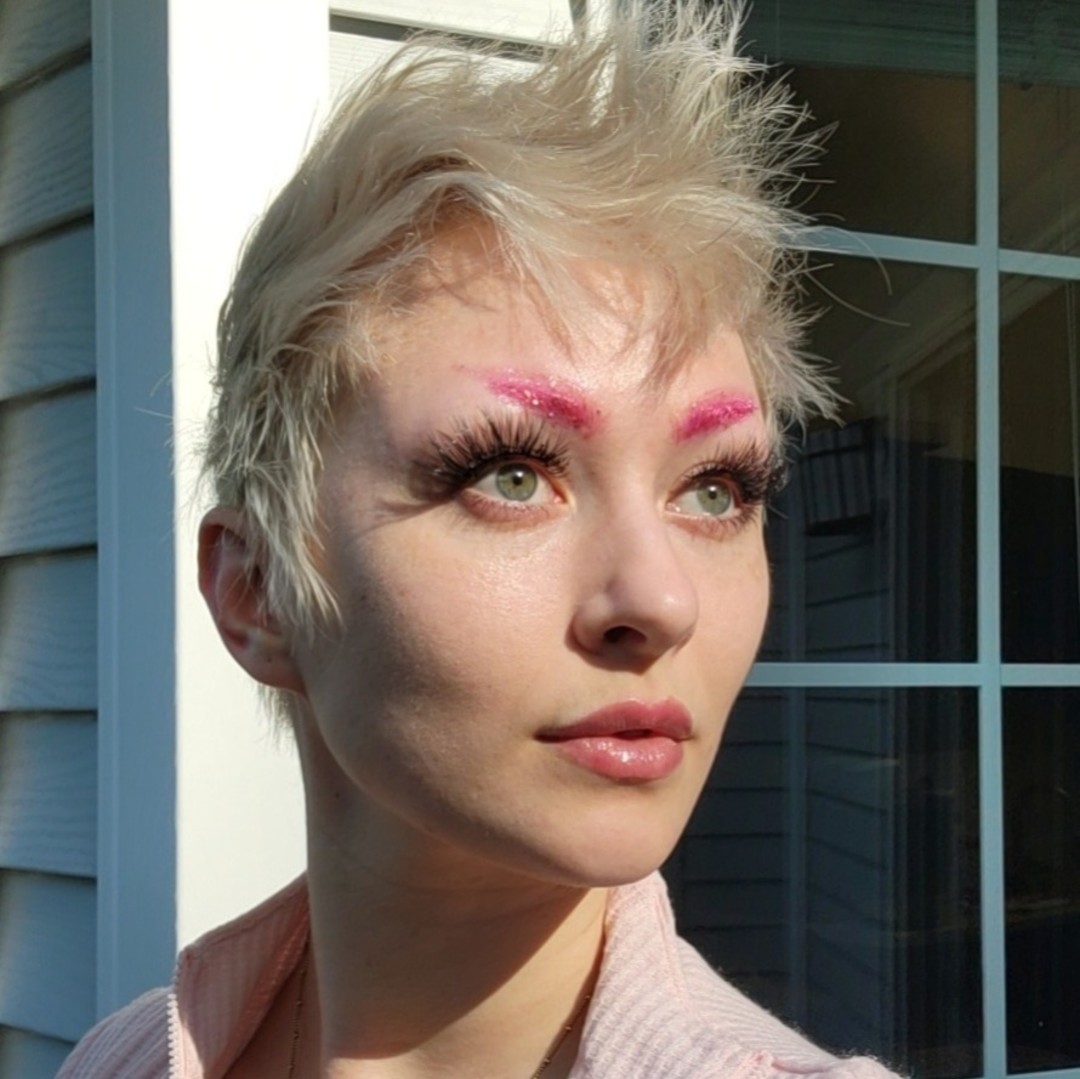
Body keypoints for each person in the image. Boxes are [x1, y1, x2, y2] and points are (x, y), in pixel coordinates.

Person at [59, 4, 900, 1077]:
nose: (662, 598)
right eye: (512, 474)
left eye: (714, 489)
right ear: (257, 588)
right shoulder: (121, 1058)